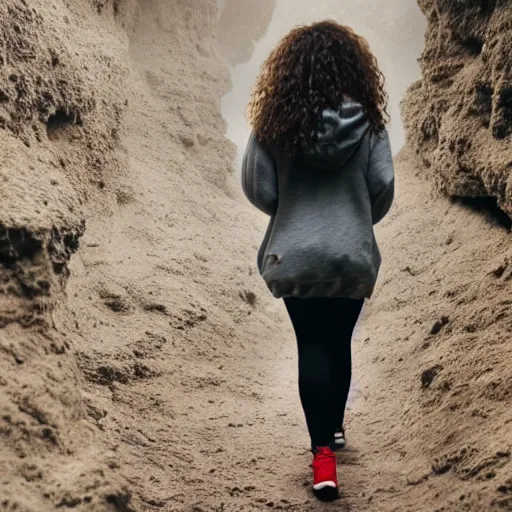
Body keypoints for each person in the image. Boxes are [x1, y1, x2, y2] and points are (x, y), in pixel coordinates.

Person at [241, 20, 395, 501]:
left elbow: (259, 188)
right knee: (339, 341)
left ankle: (322, 458)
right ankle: (337, 427)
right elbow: (383, 188)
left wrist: (293, 212)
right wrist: (351, 214)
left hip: (297, 255)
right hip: (350, 253)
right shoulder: (370, 122)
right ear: (355, 69)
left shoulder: (273, 122)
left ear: (287, 70)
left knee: (311, 345)